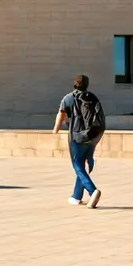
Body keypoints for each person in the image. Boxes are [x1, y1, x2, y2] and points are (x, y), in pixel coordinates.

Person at [52, 74, 106, 209]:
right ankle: (76, 196)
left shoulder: (68, 98)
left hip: (76, 137)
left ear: (74, 84)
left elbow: (61, 113)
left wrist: (55, 131)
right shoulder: (93, 98)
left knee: (77, 165)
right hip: (92, 136)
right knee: (83, 165)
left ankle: (92, 191)